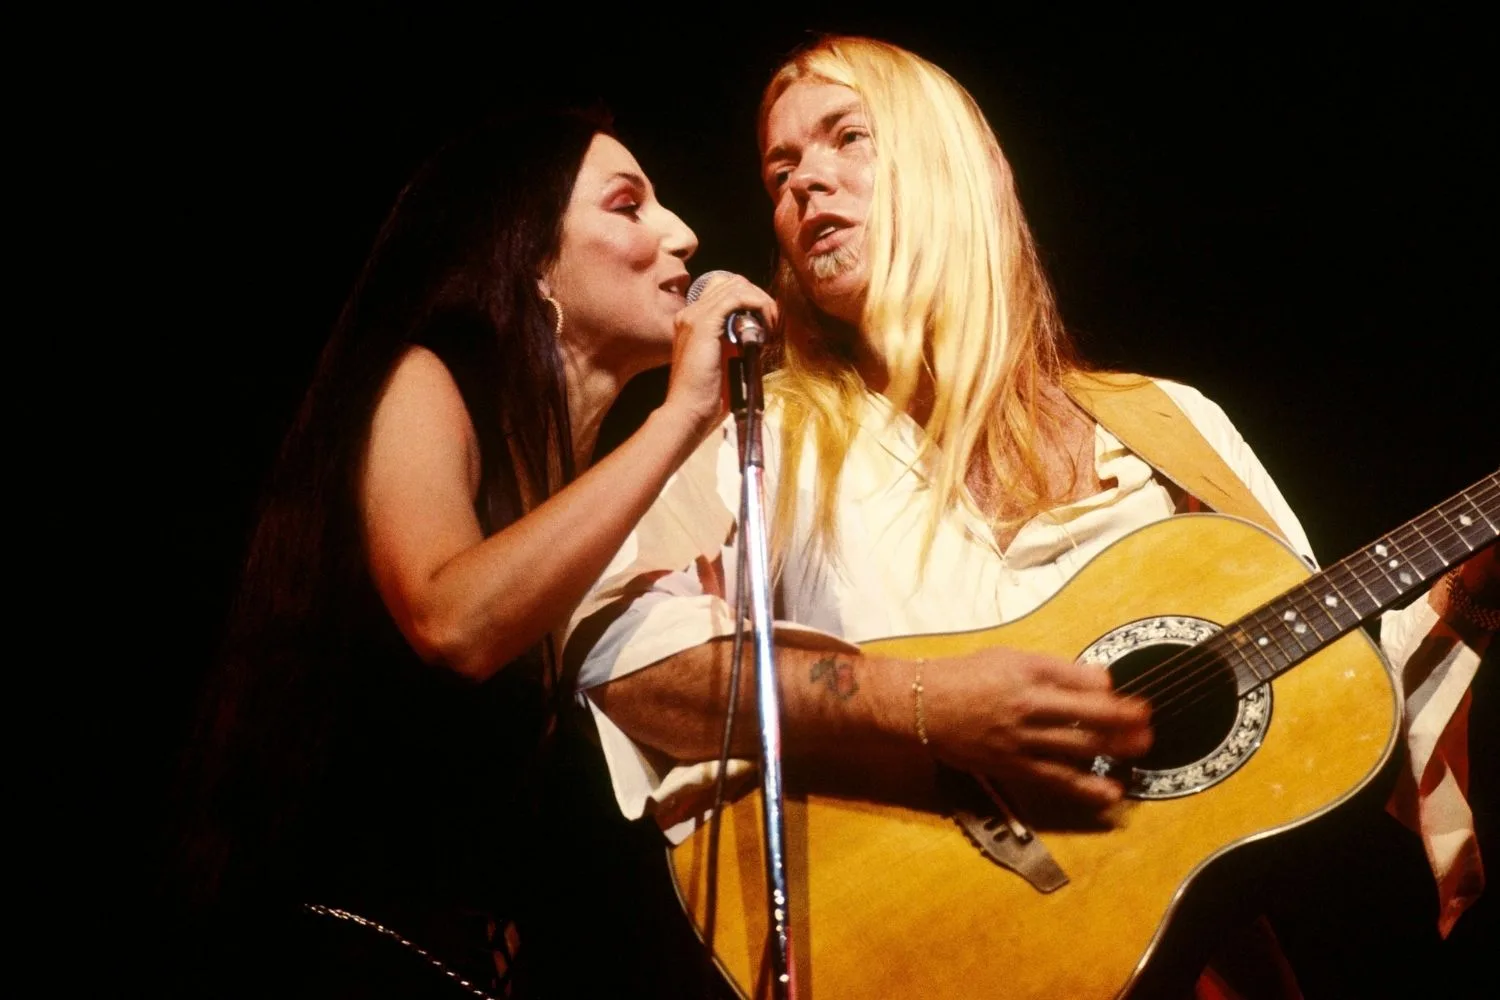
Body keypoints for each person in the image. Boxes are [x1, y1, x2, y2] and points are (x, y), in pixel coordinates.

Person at [568, 36, 1497, 998]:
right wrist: (931, 706)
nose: (804, 185)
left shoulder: (1167, 423)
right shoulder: (763, 435)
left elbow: (1324, 696)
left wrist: (1472, 602)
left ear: (957, 165)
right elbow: (621, 658)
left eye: (847, 137)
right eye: (781, 168)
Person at [169, 107, 778, 998]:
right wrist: (682, 415)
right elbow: (450, 618)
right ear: (532, 261)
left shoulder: (577, 505)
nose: (681, 233)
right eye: (627, 205)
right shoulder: (421, 379)